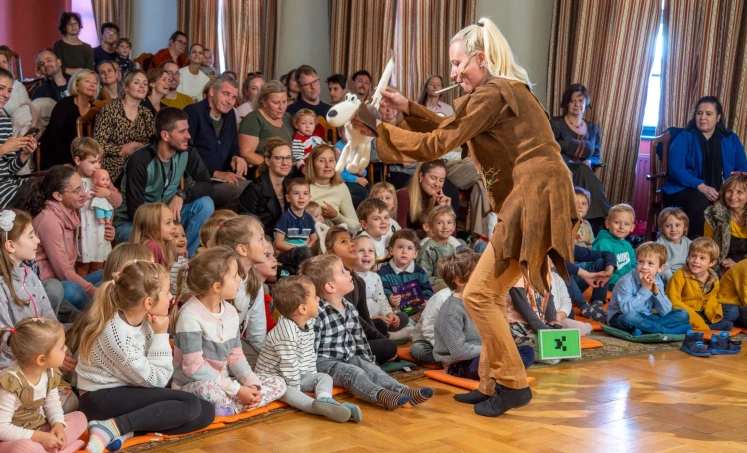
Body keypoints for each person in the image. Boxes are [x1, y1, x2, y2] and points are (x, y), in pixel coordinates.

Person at [372, 18, 578, 416]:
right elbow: (457, 129)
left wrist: (376, 128)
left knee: (479, 295)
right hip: (535, 193)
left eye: (457, 63)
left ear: (480, 59)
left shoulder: (494, 91)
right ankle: (491, 382)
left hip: (533, 195)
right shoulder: (501, 91)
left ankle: (512, 384)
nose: (452, 73)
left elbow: (440, 141)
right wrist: (408, 108)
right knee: (489, 296)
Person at [74, 260, 215, 453]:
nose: (171, 296)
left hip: (130, 389)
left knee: (205, 411)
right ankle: (113, 426)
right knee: (189, 404)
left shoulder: (143, 319)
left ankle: (124, 430)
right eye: (167, 292)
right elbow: (158, 380)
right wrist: (161, 334)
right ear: (148, 302)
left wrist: (158, 332)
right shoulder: (117, 333)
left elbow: (154, 375)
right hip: (100, 399)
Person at [301, 254, 434, 410]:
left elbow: (359, 339)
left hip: (348, 357)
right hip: (324, 363)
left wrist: (367, 361)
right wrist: (308, 375)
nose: (349, 273)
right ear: (330, 287)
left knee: (371, 368)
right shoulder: (318, 313)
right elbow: (308, 346)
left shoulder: (349, 307)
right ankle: (381, 395)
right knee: (354, 372)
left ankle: (402, 391)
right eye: (343, 271)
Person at [172, 247, 286, 416]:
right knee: (208, 389)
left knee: (279, 382)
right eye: (234, 276)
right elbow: (193, 368)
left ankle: (236, 405)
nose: (240, 279)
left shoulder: (231, 312)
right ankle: (237, 405)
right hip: (193, 385)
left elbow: (236, 356)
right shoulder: (190, 316)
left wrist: (251, 383)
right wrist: (236, 390)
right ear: (217, 286)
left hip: (226, 384)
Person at [256, 276, 360, 423]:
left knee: (324, 377)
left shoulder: (309, 323)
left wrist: (312, 377)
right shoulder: (286, 332)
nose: (319, 299)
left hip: (298, 374)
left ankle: (326, 400)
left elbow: (310, 354)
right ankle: (318, 408)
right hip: (275, 378)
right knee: (287, 391)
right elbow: (288, 364)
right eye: (315, 296)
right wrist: (298, 390)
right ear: (303, 308)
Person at [113, 108, 213, 257]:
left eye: (187, 130)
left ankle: (186, 260)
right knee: (156, 244)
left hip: (168, 218)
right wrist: (165, 231)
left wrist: (182, 195)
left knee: (205, 204)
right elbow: (136, 212)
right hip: (133, 225)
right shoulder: (140, 160)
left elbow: (206, 184)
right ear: (165, 135)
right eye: (182, 131)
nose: (188, 136)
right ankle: (168, 260)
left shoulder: (187, 151)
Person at [20, 166, 110, 309]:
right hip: (49, 284)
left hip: (64, 277)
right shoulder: (49, 221)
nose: (84, 194)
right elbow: (63, 272)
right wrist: (93, 291)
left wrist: (108, 231)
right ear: (58, 196)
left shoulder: (71, 210)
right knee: (76, 291)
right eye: (77, 190)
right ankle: (99, 313)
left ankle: (104, 307)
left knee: (108, 273)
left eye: (83, 187)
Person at [663, 96, 747, 238]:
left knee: (735, 199)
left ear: (718, 117)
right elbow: (676, 170)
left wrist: (728, 190)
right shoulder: (684, 137)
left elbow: (742, 169)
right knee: (700, 200)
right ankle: (698, 244)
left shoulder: (730, 138)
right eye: (699, 113)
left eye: (708, 114)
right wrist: (702, 187)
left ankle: (734, 245)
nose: (702, 117)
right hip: (685, 190)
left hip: (722, 189)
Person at [0, 318, 87, 453]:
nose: (66, 349)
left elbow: (52, 403)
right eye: (61, 347)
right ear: (41, 359)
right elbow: (2, 428)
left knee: (80, 418)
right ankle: (60, 448)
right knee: (26, 448)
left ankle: (52, 448)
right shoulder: (11, 384)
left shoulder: (50, 372)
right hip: (10, 439)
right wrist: (39, 437)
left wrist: (58, 424)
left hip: (38, 428)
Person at [325, 226, 398, 364]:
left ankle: (370, 356)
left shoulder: (358, 281)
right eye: (343, 242)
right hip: (341, 338)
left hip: (354, 330)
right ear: (330, 253)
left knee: (380, 325)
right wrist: (381, 339)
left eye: (351, 240)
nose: (351, 244)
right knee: (388, 346)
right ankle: (361, 359)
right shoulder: (337, 281)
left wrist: (378, 337)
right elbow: (354, 320)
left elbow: (364, 316)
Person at [0, 210, 61, 369]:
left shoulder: (29, 274)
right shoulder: (2, 287)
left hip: (42, 350)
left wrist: (58, 345)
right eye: (31, 236)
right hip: (18, 365)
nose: (38, 240)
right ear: (11, 245)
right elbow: (5, 340)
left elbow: (48, 316)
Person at [550, 83, 611, 226]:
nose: (577, 104)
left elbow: (596, 155)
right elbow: (550, 149)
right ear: (567, 103)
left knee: (584, 170)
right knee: (582, 170)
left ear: (586, 103)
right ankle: (605, 216)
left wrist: (590, 161)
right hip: (561, 168)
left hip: (585, 170)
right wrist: (570, 162)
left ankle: (589, 225)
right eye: (573, 101)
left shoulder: (593, 128)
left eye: (580, 101)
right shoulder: (555, 123)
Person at [212, 216, 269, 366]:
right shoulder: (217, 281)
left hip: (235, 346)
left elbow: (257, 333)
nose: (267, 245)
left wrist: (262, 364)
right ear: (242, 249)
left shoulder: (254, 282)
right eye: (261, 239)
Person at [185, 76, 247, 209]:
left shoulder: (230, 114)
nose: (230, 101)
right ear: (212, 91)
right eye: (226, 94)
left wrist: (236, 157)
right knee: (243, 193)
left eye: (234, 97)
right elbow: (186, 153)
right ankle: (221, 221)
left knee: (256, 188)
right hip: (199, 181)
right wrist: (215, 173)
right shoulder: (193, 111)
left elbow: (233, 146)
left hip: (223, 177)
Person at [607, 242, 691, 336]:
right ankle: (667, 331)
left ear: (660, 268)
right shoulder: (626, 281)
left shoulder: (657, 280)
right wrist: (645, 289)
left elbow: (665, 311)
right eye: (640, 261)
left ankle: (642, 329)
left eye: (650, 263)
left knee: (683, 314)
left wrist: (656, 292)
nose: (644, 267)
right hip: (620, 316)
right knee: (630, 317)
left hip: (646, 317)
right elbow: (627, 310)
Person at [93, 69, 155, 182]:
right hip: (116, 164)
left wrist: (139, 146)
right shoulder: (110, 110)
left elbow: (153, 142)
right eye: (136, 82)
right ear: (126, 87)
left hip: (141, 162)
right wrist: (121, 149)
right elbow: (97, 144)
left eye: (145, 84)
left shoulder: (146, 113)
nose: (142, 86)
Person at [665, 237, 739, 332]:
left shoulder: (713, 277)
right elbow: (672, 300)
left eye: (702, 258)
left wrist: (712, 312)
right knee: (680, 315)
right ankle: (707, 327)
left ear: (712, 263)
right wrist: (694, 316)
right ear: (688, 256)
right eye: (693, 256)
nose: (696, 261)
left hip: (704, 311)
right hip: (686, 311)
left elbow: (713, 297)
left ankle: (705, 323)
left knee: (733, 311)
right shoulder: (679, 275)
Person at [72, 138, 121, 275]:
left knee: (98, 266)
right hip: (81, 231)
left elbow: (118, 201)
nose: (97, 166)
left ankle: (96, 287)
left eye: (99, 161)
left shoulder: (101, 179)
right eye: (92, 162)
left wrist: (108, 193)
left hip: (99, 230)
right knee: (81, 266)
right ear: (78, 161)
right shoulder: (72, 179)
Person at [38, 69, 97, 170]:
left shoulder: (94, 110)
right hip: (56, 156)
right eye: (87, 81)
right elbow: (54, 136)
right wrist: (65, 162)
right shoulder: (64, 104)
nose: (92, 85)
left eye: (95, 82)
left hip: (83, 158)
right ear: (76, 85)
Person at [353, 236, 410, 339]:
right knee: (378, 323)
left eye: (370, 251)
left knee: (403, 317)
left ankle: (387, 331)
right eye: (361, 250)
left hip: (380, 315)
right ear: (352, 255)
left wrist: (388, 314)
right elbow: (353, 308)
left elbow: (381, 299)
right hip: (365, 319)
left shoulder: (375, 277)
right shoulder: (349, 277)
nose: (366, 254)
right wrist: (374, 317)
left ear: (375, 257)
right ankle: (390, 336)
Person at [237, 138, 292, 231]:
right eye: (279, 158)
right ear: (267, 161)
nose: (285, 163)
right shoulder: (254, 189)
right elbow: (245, 225)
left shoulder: (291, 185)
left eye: (288, 158)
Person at [0, 69, 37, 207]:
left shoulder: (4, 122)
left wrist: (25, 154)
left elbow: (9, 169)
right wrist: (4, 149)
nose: (6, 95)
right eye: (1, 88)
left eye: (9, 90)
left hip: (9, 185)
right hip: (4, 191)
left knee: (58, 180)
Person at [239, 80, 294, 169]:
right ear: (263, 102)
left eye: (284, 102)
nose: (281, 107)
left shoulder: (288, 118)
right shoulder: (253, 119)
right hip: (265, 171)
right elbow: (246, 153)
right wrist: (274, 166)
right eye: (276, 103)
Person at [378, 229, 434, 316]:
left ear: (415, 254)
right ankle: (404, 320)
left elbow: (428, 290)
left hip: (417, 308)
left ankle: (412, 320)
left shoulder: (419, 271)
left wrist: (426, 299)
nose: (404, 252)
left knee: (430, 308)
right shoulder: (384, 272)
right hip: (396, 308)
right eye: (400, 247)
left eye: (409, 248)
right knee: (389, 310)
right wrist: (390, 298)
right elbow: (382, 292)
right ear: (391, 251)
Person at [307, 144, 359, 231]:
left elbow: (356, 227)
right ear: (312, 164)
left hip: (335, 236)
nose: (328, 165)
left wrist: (336, 216)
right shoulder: (304, 189)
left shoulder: (341, 187)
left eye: (331, 160)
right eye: (321, 161)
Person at [394, 160, 458, 232]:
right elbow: (399, 233)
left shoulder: (439, 201)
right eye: (433, 178)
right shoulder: (403, 196)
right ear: (421, 176)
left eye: (441, 180)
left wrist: (446, 210)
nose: (437, 184)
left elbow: (449, 235)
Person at [704, 173, 747, 271]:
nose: (733, 196)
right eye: (729, 191)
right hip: (721, 265)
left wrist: (738, 263)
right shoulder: (713, 216)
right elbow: (707, 248)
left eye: (740, 192)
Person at [592, 204, 636, 288]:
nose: (621, 227)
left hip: (626, 282)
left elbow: (633, 265)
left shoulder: (628, 245)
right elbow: (599, 270)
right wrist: (624, 282)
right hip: (608, 284)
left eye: (626, 224)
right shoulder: (603, 243)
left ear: (632, 227)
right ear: (607, 223)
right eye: (617, 222)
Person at [417, 205, 457, 289]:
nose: (445, 227)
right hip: (431, 287)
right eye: (439, 223)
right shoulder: (429, 248)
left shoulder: (451, 246)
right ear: (431, 227)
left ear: (454, 227)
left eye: (449, 222)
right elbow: (423, 277)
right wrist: (444, 282)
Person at [274, 178, 317, 252]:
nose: (301, 197)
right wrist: (298, 250)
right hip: (288, 252)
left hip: (304, 251)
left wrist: (306, 248)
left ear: (309, 198)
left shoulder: (309, 218)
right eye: (296, 193)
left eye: (305, 193)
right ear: (288, 198)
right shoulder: (285, 218)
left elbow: (314, 239)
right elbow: (278, 243)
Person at [130, 203, 176, 269]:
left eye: (173, 221)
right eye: (168, 222)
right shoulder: (153, 247)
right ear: (151, 226)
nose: (174, 226)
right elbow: (153, 275)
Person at [656, 207, 692, 285]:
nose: (673, 229)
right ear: (662, 227)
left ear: (685, 227)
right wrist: (673, 282)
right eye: (668, 226)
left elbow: (692, 260)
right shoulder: (660, 244)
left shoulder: (688, 242)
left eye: (677, 225)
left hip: (685, 274)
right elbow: (664, 268)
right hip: (668, 277)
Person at [357, 198, 392, 268]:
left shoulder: (389, 238)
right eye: (377, 218)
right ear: (364, 224)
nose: (383, 222)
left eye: (386, 217)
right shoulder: (362, 243)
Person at [0, 50, 29, 116]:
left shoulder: (18, 86)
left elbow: (26, 107)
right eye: (1, 88)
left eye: (4, 62)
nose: (1, 64)